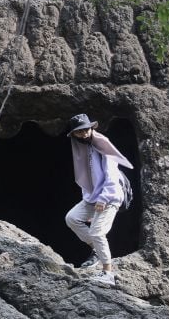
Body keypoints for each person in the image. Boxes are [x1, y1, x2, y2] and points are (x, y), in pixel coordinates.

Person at [64, 113, 133, 285]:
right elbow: (86, 178)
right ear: (74, 134)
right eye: (79, 132)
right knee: (72, 218)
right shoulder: (81, 148)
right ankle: (96, 250)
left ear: (91, 128)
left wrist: (103, 199)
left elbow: (111, 175)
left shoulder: (101, 144)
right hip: (92, 198)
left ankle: (107, 273)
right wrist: (89, 203)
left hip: (109, 196)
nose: (84, 134)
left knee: (97, 232)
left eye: (86, 130)